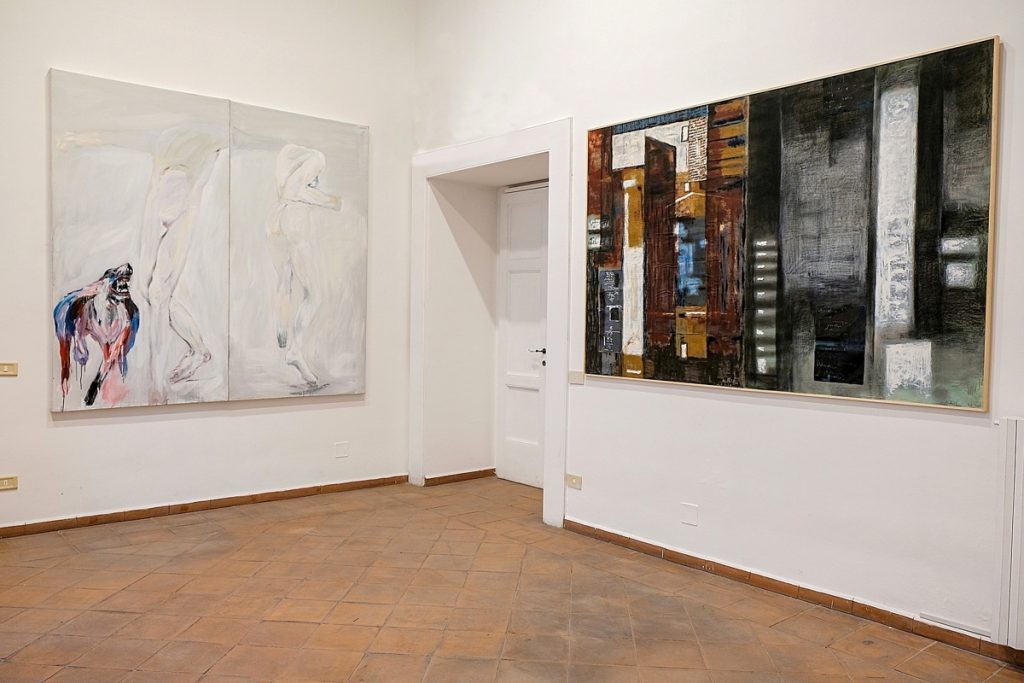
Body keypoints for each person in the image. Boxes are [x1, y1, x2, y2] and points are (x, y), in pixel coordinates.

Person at [266, 144, 341, 390]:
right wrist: (331, 201)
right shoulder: (317, 158)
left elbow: (287, 190)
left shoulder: (284, 163)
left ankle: (282, 328)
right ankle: (295, 350)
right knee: (314, 295)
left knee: (284, 282)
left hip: (276, 222)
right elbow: (295, 190)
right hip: (295, 224)